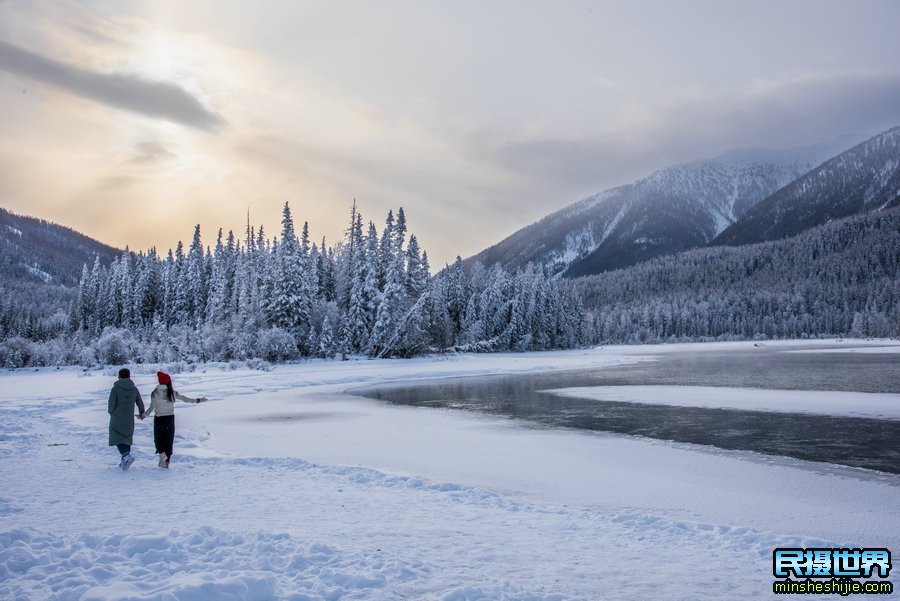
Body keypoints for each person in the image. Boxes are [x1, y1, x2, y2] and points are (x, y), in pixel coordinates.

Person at [141, 371, 206, 468]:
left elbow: (151, 408)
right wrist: (197, 400)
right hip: (170, 419)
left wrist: (143, 415)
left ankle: (162, 455)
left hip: (159, 419)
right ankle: (166, 463)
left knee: (158, 439)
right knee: (168, 441)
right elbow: (185, 399)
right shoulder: (172, 392)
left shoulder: (155, 393)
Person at [108, 367, 145, 470]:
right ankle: (125, 461)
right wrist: (142, 412)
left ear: (119, 376)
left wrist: (111, 412)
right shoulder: (134, 388)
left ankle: (126, 456)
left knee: (116, 435)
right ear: (129, 376)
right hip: (129, 417)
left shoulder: (115, 389)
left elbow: (111, 403)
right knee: (126, 437)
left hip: (117, 416)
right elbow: (139, 402)